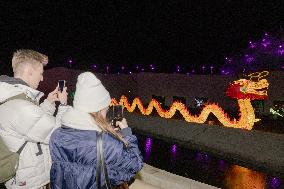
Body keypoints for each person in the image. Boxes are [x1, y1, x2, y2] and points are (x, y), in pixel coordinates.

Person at [49, 72, 143, 189]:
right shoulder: (105, 142)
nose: (106, 112)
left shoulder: (56, 135)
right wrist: (126, 133)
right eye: (106, 109)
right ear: (99, 109)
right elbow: (135, 165)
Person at [0, 49, 68, 189]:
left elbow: (32, 125)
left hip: (28, 179)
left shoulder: (14, 100)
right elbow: (59, 135)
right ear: (29, 71)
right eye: (41, 73)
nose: (42, 78)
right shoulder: (21, 107)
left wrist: (49, 102)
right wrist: (63, 105)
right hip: (29, 184)